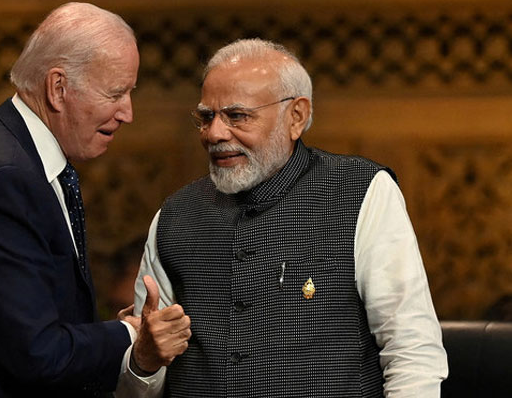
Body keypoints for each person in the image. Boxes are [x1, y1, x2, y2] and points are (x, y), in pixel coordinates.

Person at [0, 3, 189, 397]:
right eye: (115, 93)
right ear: (58, 88)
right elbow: (36, 352)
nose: (128, 112)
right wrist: (130, 333)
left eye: (130, 92)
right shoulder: (1, 179)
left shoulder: (22, 160)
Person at [121, 38, 448, 397]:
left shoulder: (360, 192)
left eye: (236, 116)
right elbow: (137, 387)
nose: (214, 133)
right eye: (206, 117)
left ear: (296, 116)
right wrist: (143, 361)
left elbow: (412, 352)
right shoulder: (174, 216)